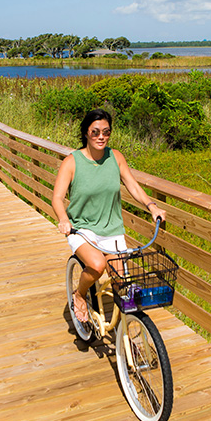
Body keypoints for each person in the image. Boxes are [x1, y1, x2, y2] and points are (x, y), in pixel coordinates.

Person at [52, 109, 166, 323]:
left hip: (112, 229)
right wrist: (63, 219)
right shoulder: (72, 162)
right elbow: (57, 198)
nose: (101, 137)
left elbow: (132, 185)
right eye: (95, 132)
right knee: (96, 265)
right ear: (86, 133)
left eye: (106, 132)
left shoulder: (116, 157)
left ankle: (129, 338)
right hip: (82, 229)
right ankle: (79, 295)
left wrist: (152, 206)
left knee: (123, 285)